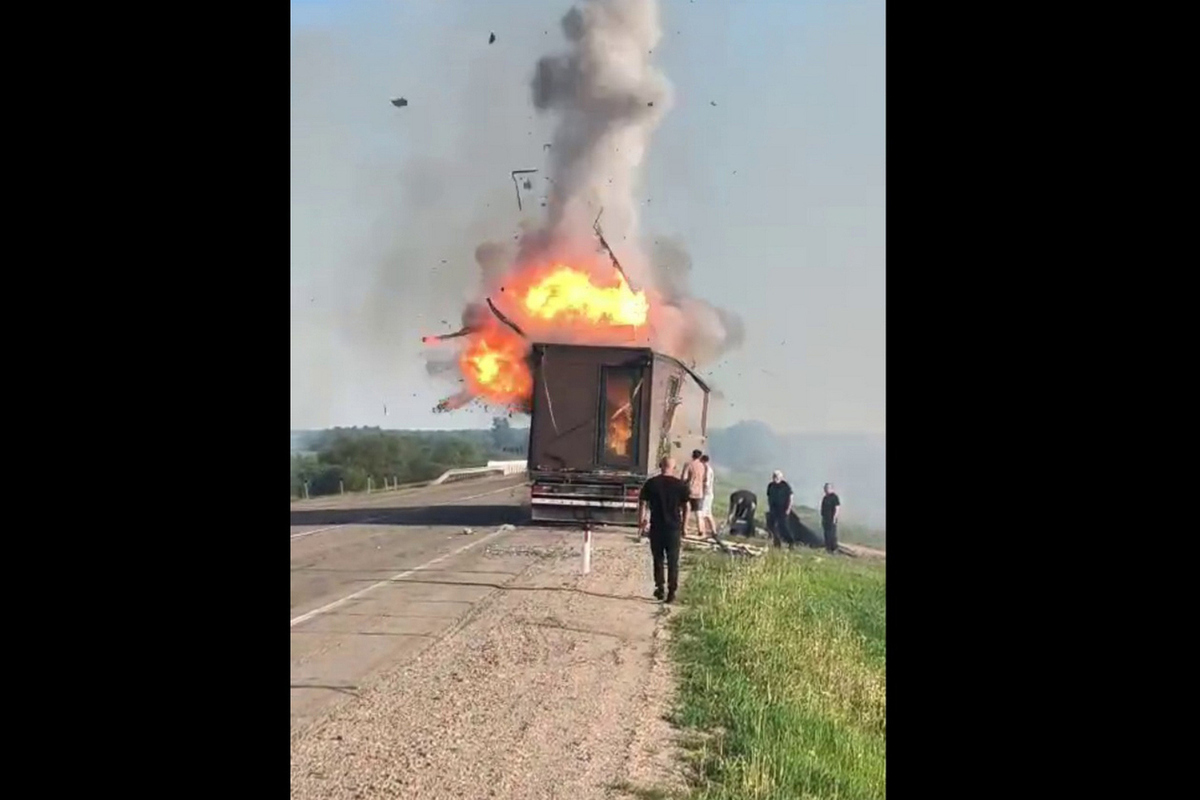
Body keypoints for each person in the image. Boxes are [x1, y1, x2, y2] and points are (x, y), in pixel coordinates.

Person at [638, 456, 692, 603]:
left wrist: (641, 522)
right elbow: (687, 507)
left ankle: (660, 587)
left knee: (658, 558)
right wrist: (685, 526)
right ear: (674, 468)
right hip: (674, 528)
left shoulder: (651, 483)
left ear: (660, 466)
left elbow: (643, 503)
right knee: (673, 560)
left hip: (657, 526)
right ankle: (672, 591)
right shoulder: (680, 485)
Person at [679, 449, 707, 537]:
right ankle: (701, 529)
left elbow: (684, 477)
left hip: (689, 490)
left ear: (692, 455)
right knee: (698, 512)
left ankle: (684, 529)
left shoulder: (689, 464)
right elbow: (704, 478)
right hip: (699, 491)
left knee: (686, 510)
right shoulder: (703, 466)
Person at [765, 470, 795, 549]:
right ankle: (777, 543)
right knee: (772, 526)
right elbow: (769, 496)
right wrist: (769, 507)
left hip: (783, 509)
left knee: (783, 527)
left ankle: (790, 542)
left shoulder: (785, 486)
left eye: (777, 477)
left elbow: (791, 497)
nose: (775, 478)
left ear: (781, 477)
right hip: (773, 509)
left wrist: (788, 509)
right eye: (774, 476)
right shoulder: (771, 486)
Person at [698, 454, 717, 536]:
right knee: (708, 513)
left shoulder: (707, 470)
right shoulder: (709, 469)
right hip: (708, 494)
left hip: (706, 494)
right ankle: (713, 531)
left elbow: (706, 483)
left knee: (701, 513)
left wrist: (702, 492)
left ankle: (702, 532)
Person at [820, 482, 841, 553]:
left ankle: (834, 548)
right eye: (825, 488)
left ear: (831, 488)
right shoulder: (825, 498)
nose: (826, 490)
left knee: (832, 534)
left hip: (832, 518)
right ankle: (828, 548)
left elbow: (837, 508)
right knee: (826, 534)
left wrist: (835, 517)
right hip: (825, 519)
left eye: (827, 488)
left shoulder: (834, 497)